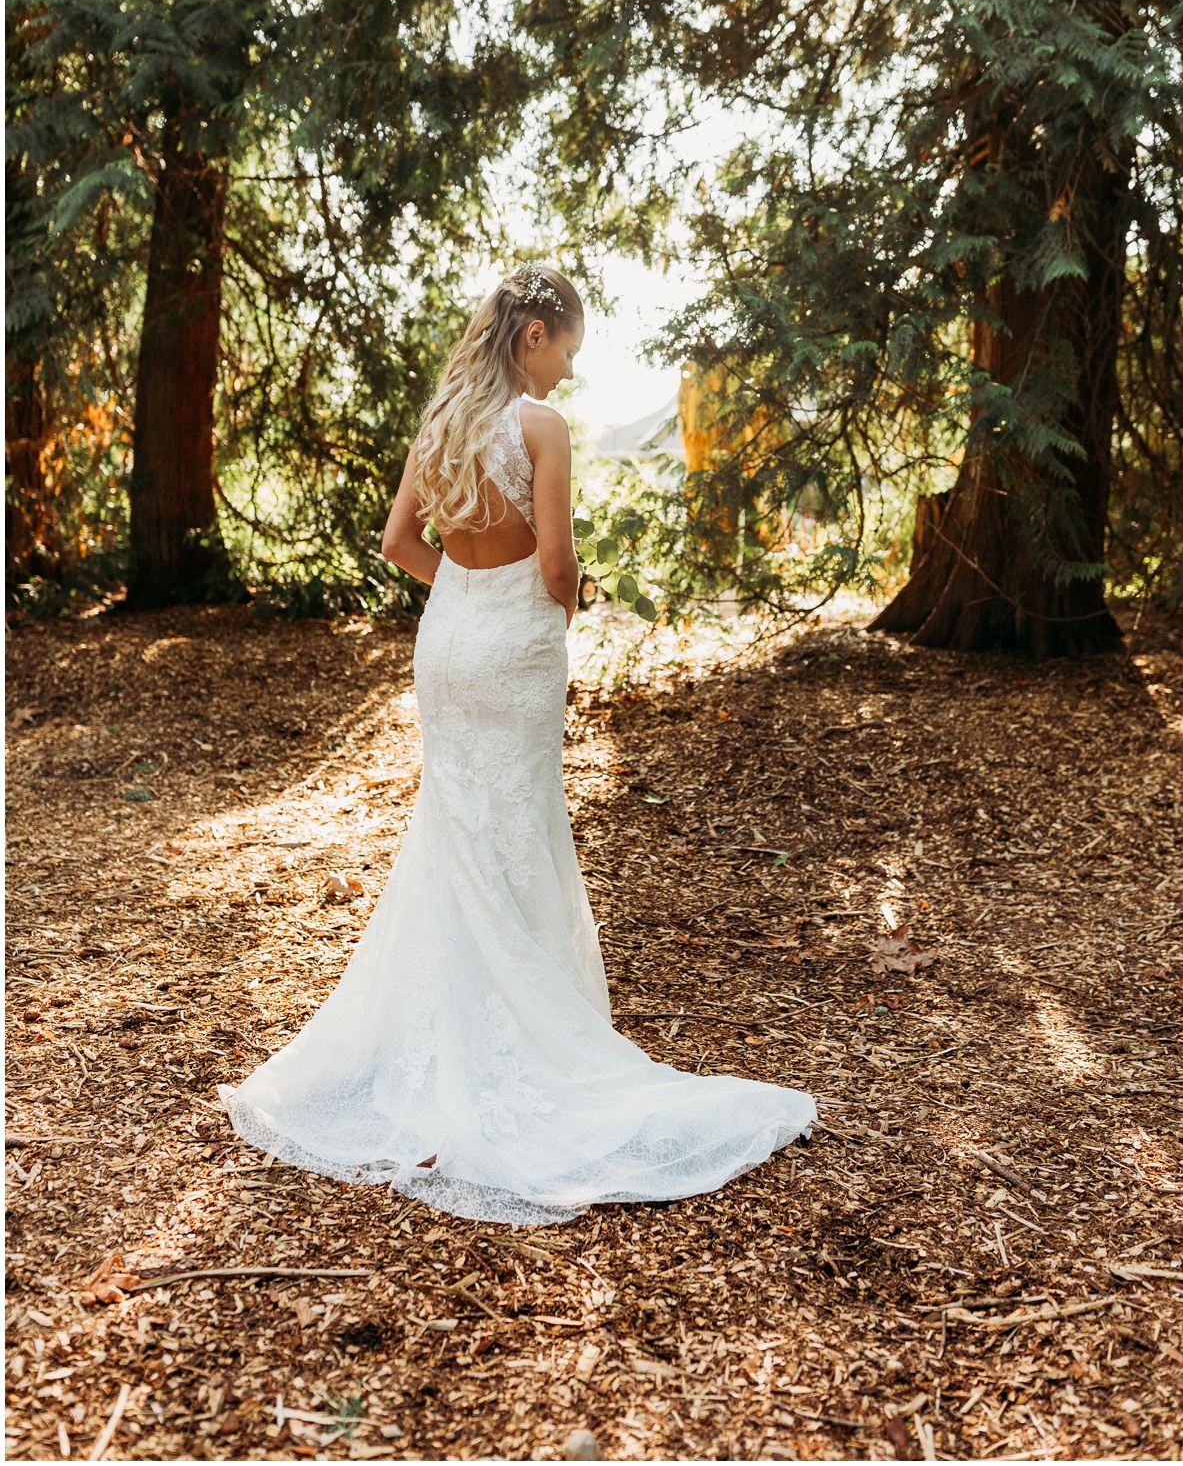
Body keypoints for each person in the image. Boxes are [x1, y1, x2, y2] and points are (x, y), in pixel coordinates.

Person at [220, 267, 815, 1223]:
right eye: (568, 350)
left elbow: (399, 544)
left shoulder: (440, 423)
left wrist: (467, 589)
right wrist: (563, 605)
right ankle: (521, 1039)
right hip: (515, 649)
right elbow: (557, 562)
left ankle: (440, 1035)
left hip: (447, 642)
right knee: (519, 824)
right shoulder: (541, 427)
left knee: (454, 826)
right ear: (534, 333)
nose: (569, 372)